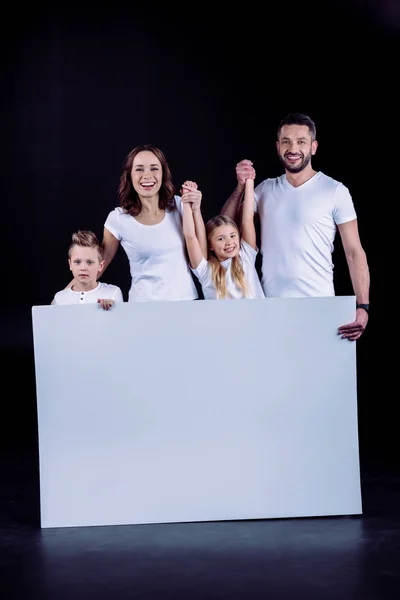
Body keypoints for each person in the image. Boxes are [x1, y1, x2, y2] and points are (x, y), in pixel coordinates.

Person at [221, 112, 370, 340]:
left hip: (321, 306)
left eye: (301, 142)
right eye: (286, 141)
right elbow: (225, 227)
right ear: (278, 146)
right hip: (270, 306)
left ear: (313, 147)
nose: (293, 149)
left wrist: (363, 306)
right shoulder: (264, 190)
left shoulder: (335, 191)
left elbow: (354, 252)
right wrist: (241, 187)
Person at [100, 144, 207, 302]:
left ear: (163, 173)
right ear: (129, 175)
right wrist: (63, 298)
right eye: (139, 169)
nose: (147, 175)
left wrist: (196, 210)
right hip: (142, 308)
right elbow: (95, 267)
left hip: (184, 304)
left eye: (154, 168)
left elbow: (202, 259)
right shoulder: (118, 219)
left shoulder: (179, 205)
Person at [182, 179, 265, 300]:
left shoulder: (246, 256)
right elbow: (190, 236)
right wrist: (187, 202)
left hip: (256, 318)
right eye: (221, 239)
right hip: (221, 319)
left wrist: (249, 180)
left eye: (233, 235)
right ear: (211, 245)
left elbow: (247, 219)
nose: (229, 242)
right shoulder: (206, 271)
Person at [52, 230, 123, 310]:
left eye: (89, 262)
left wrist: (113, 309)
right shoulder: (60, 298)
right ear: (70, 264)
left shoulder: (112, 293)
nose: (83, 268)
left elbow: (120, 321)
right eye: (77, 262)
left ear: (101, 265)